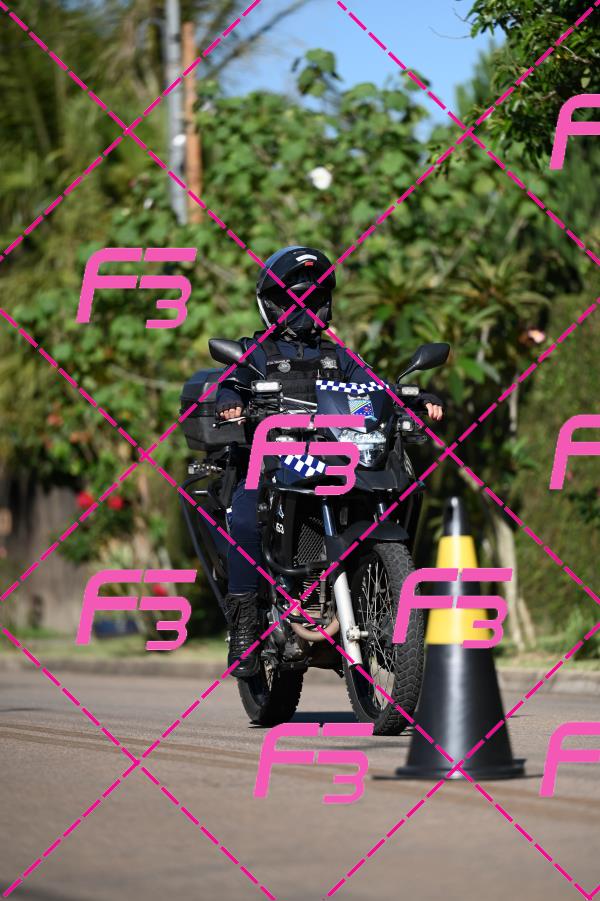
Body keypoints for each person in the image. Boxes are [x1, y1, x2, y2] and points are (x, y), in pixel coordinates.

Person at [215, 246, 444, 679]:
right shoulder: (257, 352)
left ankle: (367, 595)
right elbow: (233, 381)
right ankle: (245, 627)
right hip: (271, 461)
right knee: (244, 518)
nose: (304, 309)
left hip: (333, 460)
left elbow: (376, 390)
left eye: (314, 299)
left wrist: (416, 399)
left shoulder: (338, 356)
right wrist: (230, 400)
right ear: (272, 305)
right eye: (294, 300)